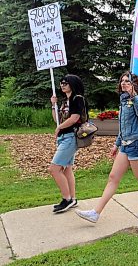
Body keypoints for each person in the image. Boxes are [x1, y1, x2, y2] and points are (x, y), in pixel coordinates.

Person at [76, 72, 138, 223]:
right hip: (125, 146)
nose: (123, 83)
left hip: (137, 145)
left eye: (127, 81)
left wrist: (133, 94)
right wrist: (116, 144)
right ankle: (96, 213)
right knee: (113, 178)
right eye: (122, 81)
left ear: (134, 84)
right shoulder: (123, 100)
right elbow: (123, 127)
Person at [49, 75, 85, 213]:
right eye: (61, 83)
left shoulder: (77, 99)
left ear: (72, 84)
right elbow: (57, 120)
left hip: (70, 137)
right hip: (64, 137)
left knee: (54, 169)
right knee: (67, 169)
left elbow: (75, 118)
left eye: (65, 83)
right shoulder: (66, 101)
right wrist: (53, 105)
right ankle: (73, 198)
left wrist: (59, 128)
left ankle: (67, 199)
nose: (62, 85)